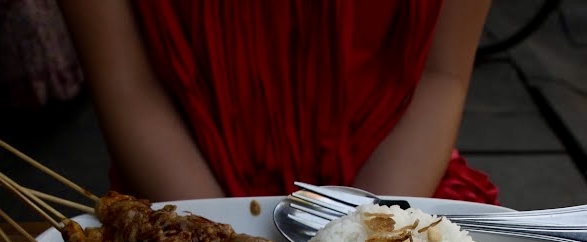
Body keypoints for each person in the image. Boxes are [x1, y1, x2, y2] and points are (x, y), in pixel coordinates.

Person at [57, 0, 498, 203]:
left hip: (397, 186)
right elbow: (128, 84)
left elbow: (441, 75)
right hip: (180, 196)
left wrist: (365, 233)